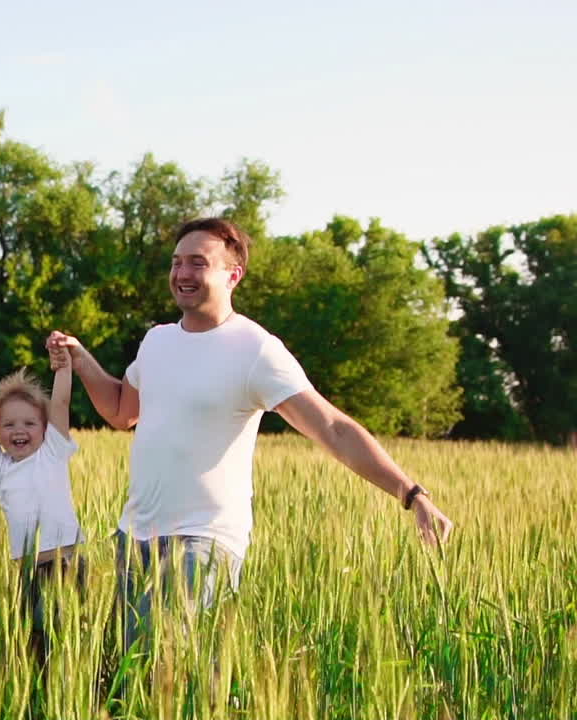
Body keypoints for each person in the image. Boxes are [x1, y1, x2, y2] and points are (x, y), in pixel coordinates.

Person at [46, 217, 454, 648]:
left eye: (198, 263)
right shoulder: (157, 341)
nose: (182, 273)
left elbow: (333, 428)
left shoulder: (255, 349)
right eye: (177, 262)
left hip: (203, 543)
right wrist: (80, 358)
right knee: (127, 674)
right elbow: (121, 412)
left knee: (164, 666)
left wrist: (412, 494)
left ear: (233, 275)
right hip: (134, 538)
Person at [0, 349, 85, 663]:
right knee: (31, 646)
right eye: (8, 424)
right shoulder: (0, 468)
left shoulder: (53, 452)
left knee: (67, 644)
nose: (19, 430)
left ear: (45, 428)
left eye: (29, 423)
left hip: (66, 566)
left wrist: (63, 368)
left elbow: (60, 403)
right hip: (27, 573)